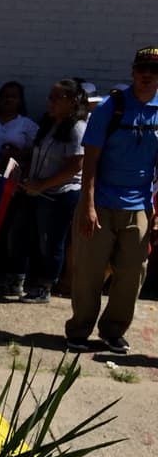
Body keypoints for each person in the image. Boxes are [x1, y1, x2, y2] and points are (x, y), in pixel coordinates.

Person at [65, 47, 158, 354]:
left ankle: (113, 331)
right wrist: (88, 205)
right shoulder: (111, 106)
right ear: (133, 72)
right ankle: (79, 330)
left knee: (133, 272)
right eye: (142, 68)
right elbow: (89, 161)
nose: (147, 75)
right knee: (89, 270)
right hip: (101, 202)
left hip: (140, 205)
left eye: (154, 70)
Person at [4, 80, 87, 303]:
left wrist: (42, 184)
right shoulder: (49, 123)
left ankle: (44, 287)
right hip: (34, 190)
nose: (49, 102)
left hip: (58, 195)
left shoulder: (77, 129)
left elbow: (75, 165)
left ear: (72, 101)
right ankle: (15, 281)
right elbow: (37, 153)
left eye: (55, 98)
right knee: (18, 233)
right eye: (49, 97)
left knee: (50, 242)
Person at [0, 81, 39, 171]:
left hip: (12, 175)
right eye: (5, 96)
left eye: (14, 96)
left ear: (20, 101)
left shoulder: (27, 124)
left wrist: (18, 154)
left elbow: (38, 149)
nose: (9, 99)